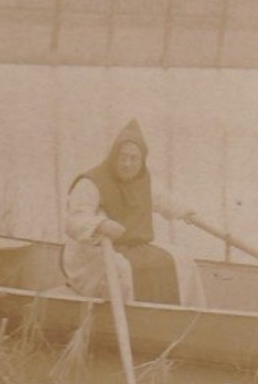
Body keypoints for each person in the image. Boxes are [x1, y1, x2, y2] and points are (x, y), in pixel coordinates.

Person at [62, 119, 207, 308]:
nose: (127, 164)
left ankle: (187, 317)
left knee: (183, 261)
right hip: (93, 253)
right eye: (122, 157)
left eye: (133, 158)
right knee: (121, 270)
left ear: (142, 160)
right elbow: (74, 221)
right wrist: (100, 225)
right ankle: (131, 322)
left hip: (133, 246)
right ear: (113, 157)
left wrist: (185, 212)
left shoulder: (143, 181)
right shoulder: (91, 182)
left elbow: (165, 201)